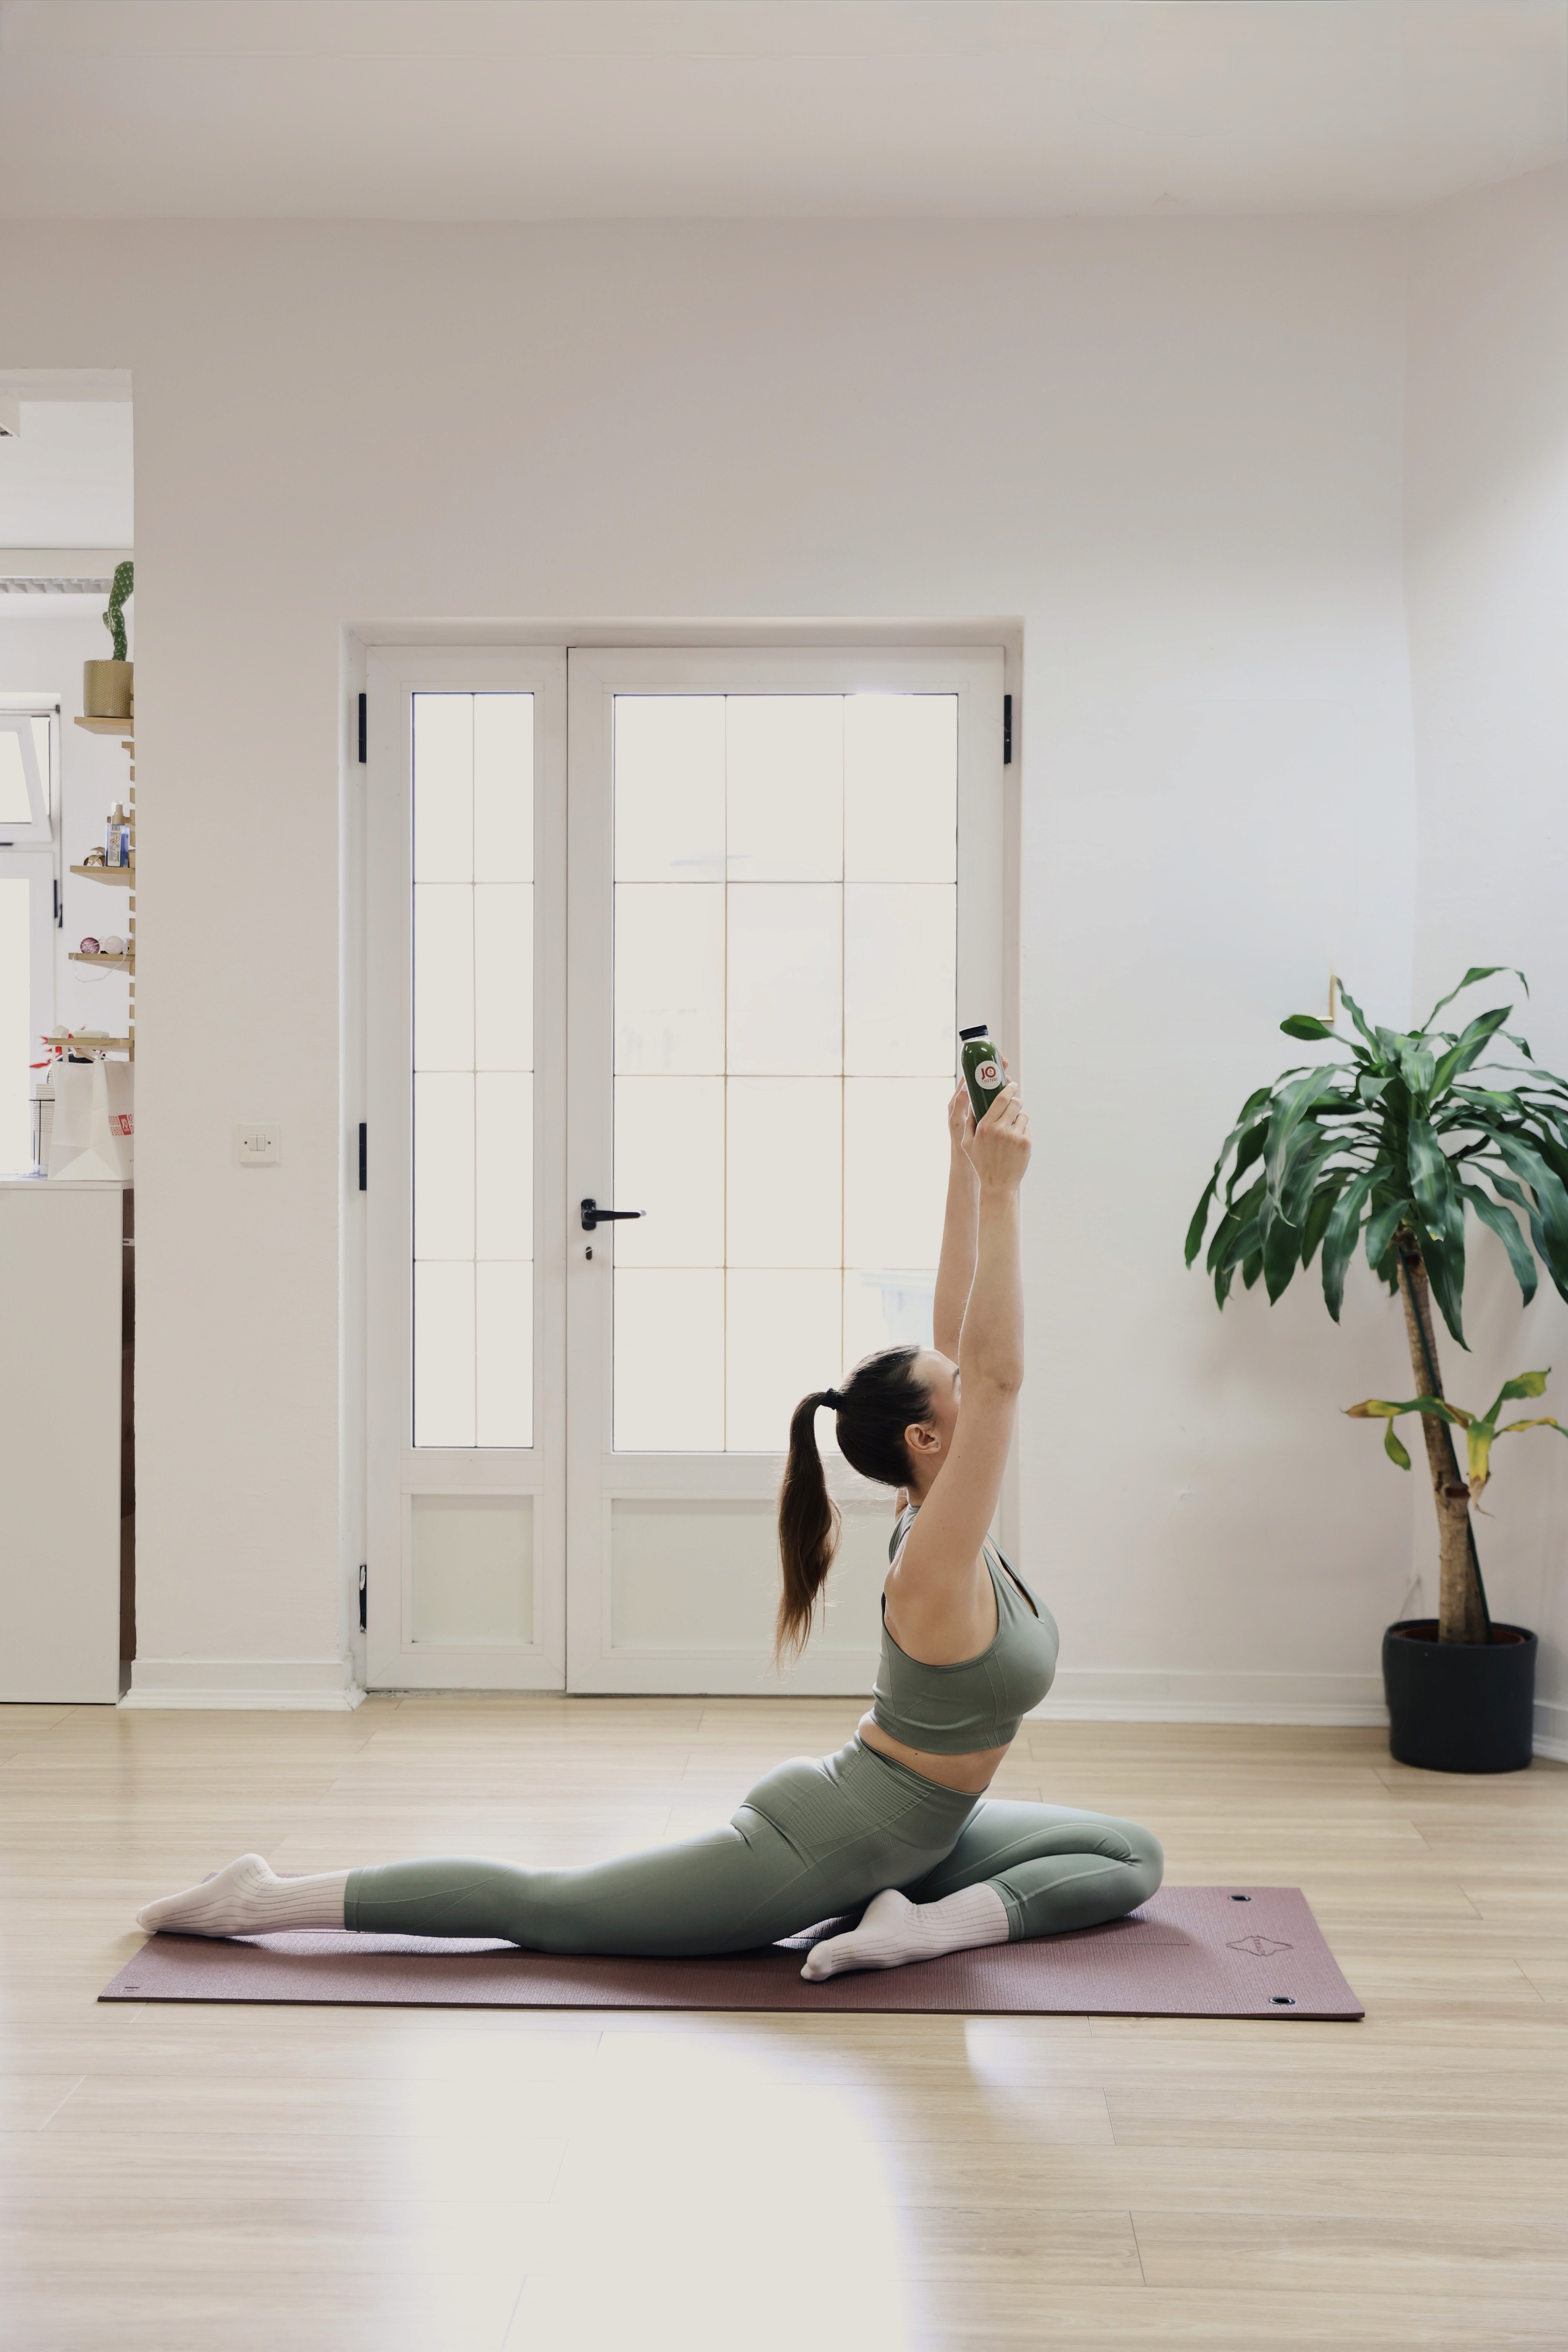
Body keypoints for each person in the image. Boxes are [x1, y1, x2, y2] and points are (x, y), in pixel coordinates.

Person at [137, 1074, 1162, 1978]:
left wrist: (957, 1161)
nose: (968, 1387)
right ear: (931, 1441)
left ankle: (918, 1929)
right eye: (958, 1398)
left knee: (1129, 1855)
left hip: (928, 1836)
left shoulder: (940, 1503)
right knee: (549, 1912)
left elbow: (959, 1341)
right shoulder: (934, 1557)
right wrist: (997, 1190)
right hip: (832, 1841)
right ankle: (263, 1896)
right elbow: (993, 1369)